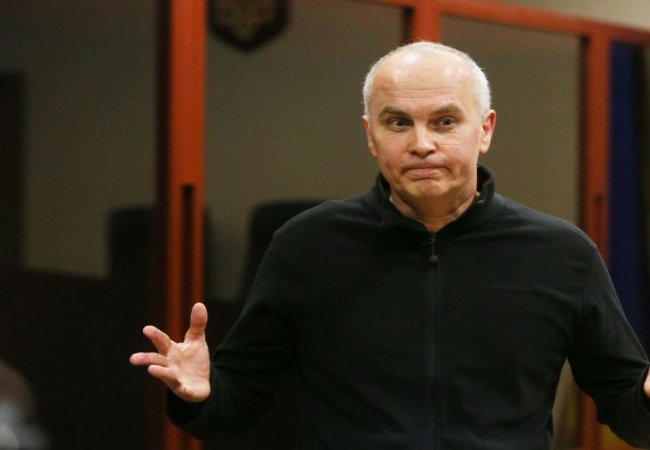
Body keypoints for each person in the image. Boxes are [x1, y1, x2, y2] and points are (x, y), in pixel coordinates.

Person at [130, 41, 650, 449]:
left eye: (445, 122)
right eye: (398, 122)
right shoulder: (307, 245)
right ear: (371, 135)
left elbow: (628, 411)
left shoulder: (561, 255)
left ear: (485, 129)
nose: (422, 143)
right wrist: (201, 394)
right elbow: (237, 404)